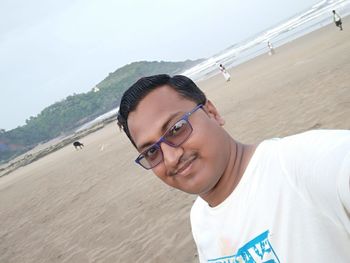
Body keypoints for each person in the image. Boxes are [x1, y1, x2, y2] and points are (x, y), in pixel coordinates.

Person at [117, 74, 350, 262]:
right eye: (151, 152)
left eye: (177, 128)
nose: (170, 158)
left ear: (212, 112)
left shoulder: (306, 163)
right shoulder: (200, 218)